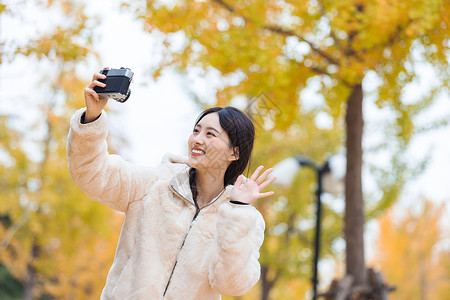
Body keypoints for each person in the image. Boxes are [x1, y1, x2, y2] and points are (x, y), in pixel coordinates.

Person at [67, 71, 277, 299]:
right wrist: (93, 117)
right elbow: (92, 174)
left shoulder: (245, 219)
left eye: (210, 134)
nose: (197, 139)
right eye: (196, 130)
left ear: (234, 152)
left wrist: (237, 210)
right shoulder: (153, 185)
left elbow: (230, 284)